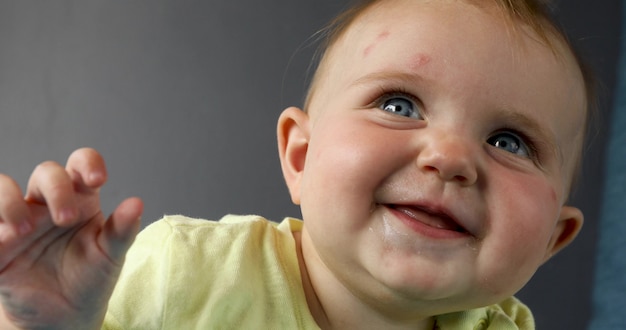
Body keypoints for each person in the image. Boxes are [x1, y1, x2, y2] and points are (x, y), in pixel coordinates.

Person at [0, 0, 594, 328]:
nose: (451, 157)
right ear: (300, 156)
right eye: (398, 104)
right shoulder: (185, 275)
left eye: (511, 141)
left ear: (552, 239)